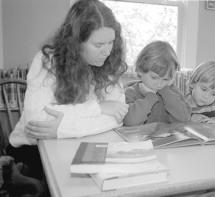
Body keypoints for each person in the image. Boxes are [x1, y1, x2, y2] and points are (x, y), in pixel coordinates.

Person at [7, 0, 128, 180]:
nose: (107, 51)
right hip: (33, 151)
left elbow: (117, 116)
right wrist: (98, 108)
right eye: (98, 45)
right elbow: (37, 122)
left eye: (110, 42)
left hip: (85, 143)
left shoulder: (109, 63)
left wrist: (62, 127)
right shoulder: (47, 61)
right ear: (76, 42)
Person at [124, 41, 190, 126]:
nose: (160, 84)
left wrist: (165, 91)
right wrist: (150, 97)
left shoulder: (172, 92)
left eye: (166, 79)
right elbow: (130, 122)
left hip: (167, 137)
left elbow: (184, 118)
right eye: (154, 77)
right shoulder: (131, 92)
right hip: (140, 138)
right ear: (140, 70)